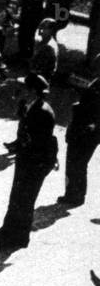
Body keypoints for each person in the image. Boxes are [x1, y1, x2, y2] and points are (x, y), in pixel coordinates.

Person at [0, 72, 58, 250]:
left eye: (24, 87)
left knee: (25, 200)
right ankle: (8, 230)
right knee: (17, 198)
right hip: (26, 159)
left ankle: (19, 238)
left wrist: (23, 149)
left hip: (35, 163)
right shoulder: (31, 105)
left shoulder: (42, 112)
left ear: (33, 91)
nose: (20, 89)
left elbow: (39, 142)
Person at [59, 61, 100, 207]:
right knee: (76, 164)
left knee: (78, 164)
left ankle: (75, 196)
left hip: (87, 131)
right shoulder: (96, 81)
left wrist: (93, 125)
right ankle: (73, 194)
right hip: (84, 129)